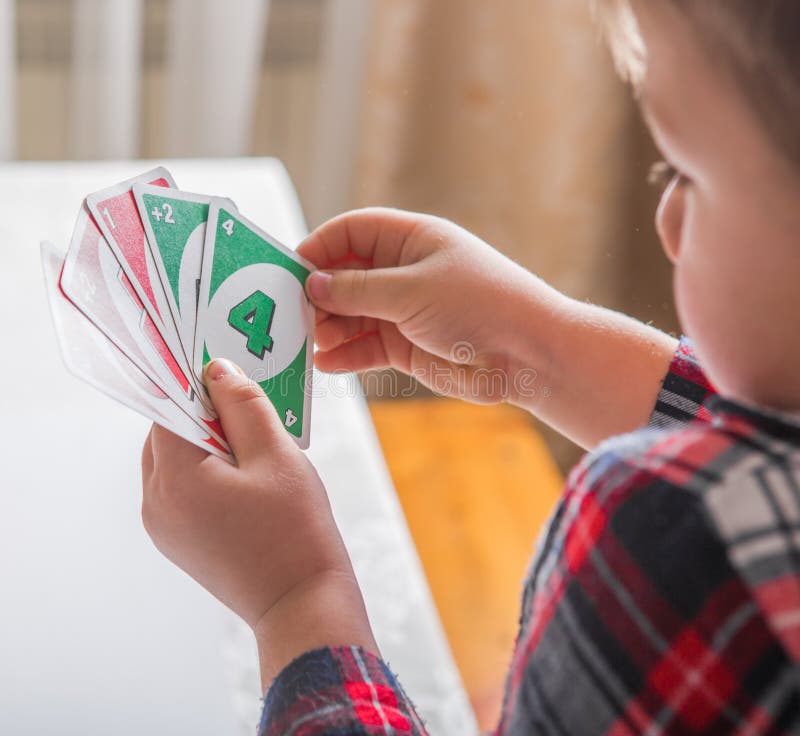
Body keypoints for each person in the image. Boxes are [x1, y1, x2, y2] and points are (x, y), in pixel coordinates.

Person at [141, 0, 800, 733]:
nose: (668, 223)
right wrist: (539, 344)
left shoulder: (683, 546)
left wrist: (295, 600)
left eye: (685, 172)